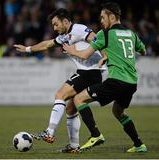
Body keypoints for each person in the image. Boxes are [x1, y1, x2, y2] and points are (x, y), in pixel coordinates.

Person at [14, 8, 106, 153]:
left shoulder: (79, 29)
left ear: (65, 21)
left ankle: (49, 131)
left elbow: (97, 40)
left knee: (60, 95)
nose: (54, 28)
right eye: (53, 25)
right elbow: (47, 44)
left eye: (56, 24)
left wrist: (105, 56)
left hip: (91, 72)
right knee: (70, 109)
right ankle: (74, 146)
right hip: (87, 73)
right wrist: (27, 49)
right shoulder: (64, 36)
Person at [63, 2, 147, 153]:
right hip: (132, 82)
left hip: (116, 81)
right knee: (118, 111)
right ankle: (139, 144)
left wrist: (70, 50)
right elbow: (144, 51)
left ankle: (95, 135)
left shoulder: (105, 34)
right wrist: (112, 57)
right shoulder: (131, 34)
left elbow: (85, 54)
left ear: (112, 17)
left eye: (103, 17)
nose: (101, 21)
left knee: (78, 99)